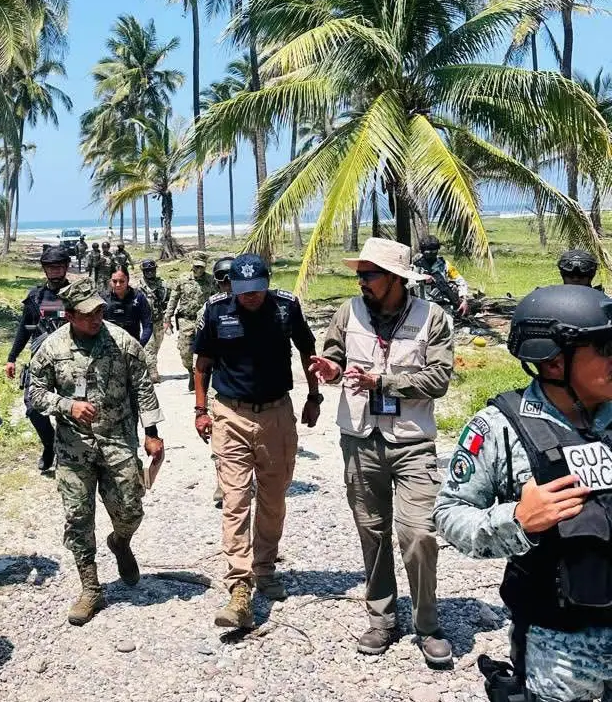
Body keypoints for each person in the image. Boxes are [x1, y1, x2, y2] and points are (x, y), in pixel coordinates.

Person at [434, 286, 612, 702]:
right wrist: (518, 518)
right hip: (558, 640)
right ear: (554, 358)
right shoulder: (500, 427)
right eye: (604, 349)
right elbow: (450, 517)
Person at [309, 237, 454, 668]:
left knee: (418, 534)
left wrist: (384, 383)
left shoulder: (433, 317)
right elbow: (334, 360)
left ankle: (427, 624)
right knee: (371, 532)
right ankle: (382, 618)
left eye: (369, 275)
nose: (361, 282)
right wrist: (330, 369)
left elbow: (440, 379)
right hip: (359, 438)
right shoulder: (346, 313)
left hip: (412, 441)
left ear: (395, 279)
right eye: (360, 274)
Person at [194, 254, 321, 629]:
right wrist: (201, 410)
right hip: (230, 414)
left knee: (273, 498)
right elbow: (202, 365)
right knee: (234, 500)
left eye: (257, 290)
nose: (251, 297)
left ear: (267, 282)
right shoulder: (216, 310)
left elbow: (307, 352)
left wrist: (313, 398)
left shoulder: (286, 307)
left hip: (277, 413)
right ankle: (239, 585)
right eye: (243, 290)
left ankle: (265, 568)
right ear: (230, 285)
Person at [28, 276, 165, 626]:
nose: (95, 318)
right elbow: (34, 394)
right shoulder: (51, 348)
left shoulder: (122, 343)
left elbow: (143, 388)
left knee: (131, 508)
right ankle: (91, 587)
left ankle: (120, 542)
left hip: (118, 441)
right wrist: (65, 405)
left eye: (100, 311)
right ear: (69, 315)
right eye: (87, 314)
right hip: (74, 449)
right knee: (78, 518)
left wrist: (151, 433)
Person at [5, 244, 71, 473]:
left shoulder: (77, 294)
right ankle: (49, 444)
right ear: (44, 270)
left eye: (58, 267)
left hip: (72, 362)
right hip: (41, 361)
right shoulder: (35, 297)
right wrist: (12, 357)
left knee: (72, 410)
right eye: (50, 267)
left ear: (66, 268)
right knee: (34, 408)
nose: (54, 272)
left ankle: (72, 455)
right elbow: (25, 328)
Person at [202, 258, 234, 508]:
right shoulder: (212, 309)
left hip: (250, 384)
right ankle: (223, 483)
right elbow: (202, 356)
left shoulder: (259, 304)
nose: (227, 285)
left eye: (230, 279)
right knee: (220, 433)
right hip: (220, 382)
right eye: (222, 280)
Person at [166, 253, 214, 392]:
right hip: (186, 320)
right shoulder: (182, 279)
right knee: (186, 351)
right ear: (192, 265)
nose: (199, 269)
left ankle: (201, 377)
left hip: (203, 321)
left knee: (204, 350)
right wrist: (167, 318)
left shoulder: (211, 280)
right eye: (196, 266)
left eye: (201, 267)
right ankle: (190, 371)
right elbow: (173, 299)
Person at [413, 235, 469, 318]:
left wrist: (464, 300)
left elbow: (461, 281)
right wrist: (420, 278)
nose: (431, 254)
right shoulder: (416, 265)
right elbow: (406, 282)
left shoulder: (445, 265)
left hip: (443, 306)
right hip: (422, 306)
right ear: (422, 251)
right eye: (428, 251)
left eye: (434, 251)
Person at [102, 264, 154, 347]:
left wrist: (140, 345)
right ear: (110, 281)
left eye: (122, 281)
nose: (118, 285)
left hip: (132, 347)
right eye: (114, 281)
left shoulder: (138, 297)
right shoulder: (103, 299)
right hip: (108, 348)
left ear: (128, 280)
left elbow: (147, 324)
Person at [139, 260, 170, 382]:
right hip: (145, 322)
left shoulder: (162, 284)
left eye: (152, 270)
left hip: (159, 320)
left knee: (156, 345)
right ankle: (153, 373)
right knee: (149, 347)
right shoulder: (140, 287)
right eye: (147, 270)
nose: (150, 272)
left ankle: (149, 367)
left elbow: (169, 300)